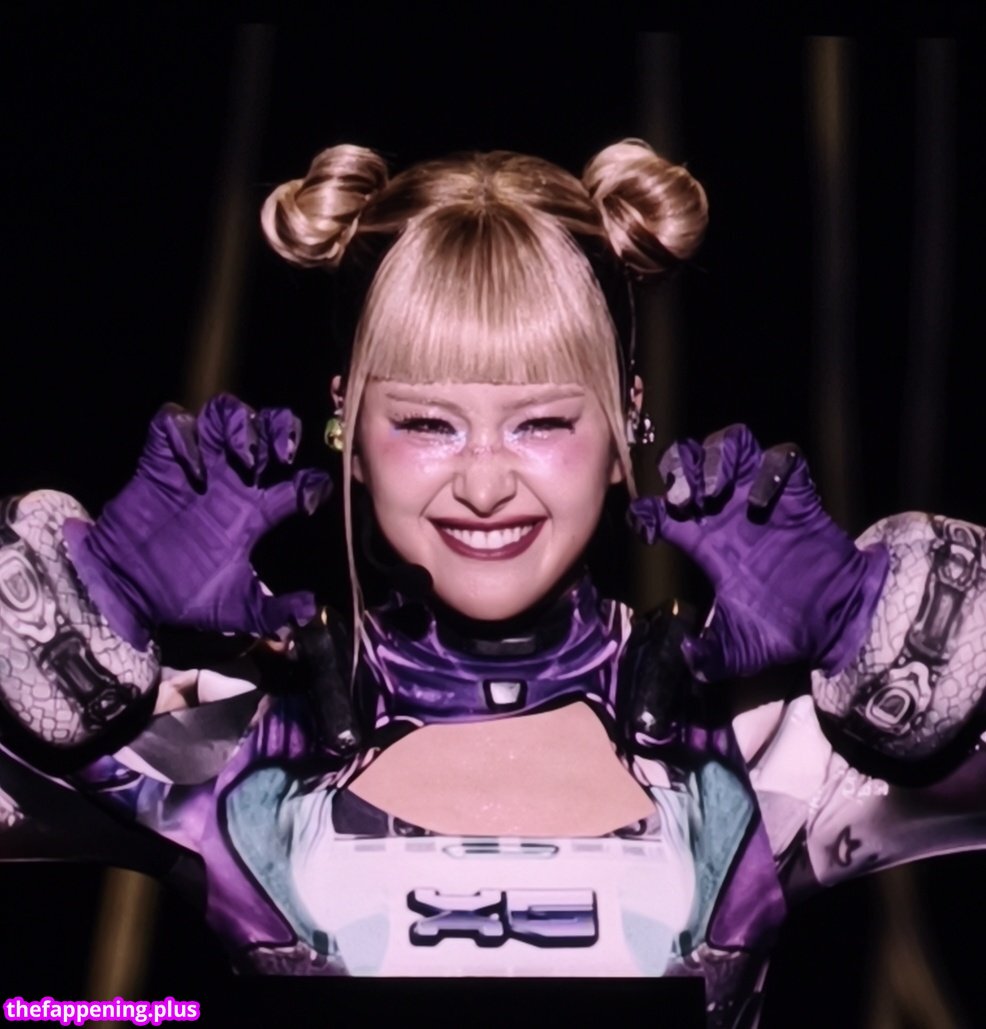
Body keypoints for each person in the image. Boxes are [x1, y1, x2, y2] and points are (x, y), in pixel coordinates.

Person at [1, 140, 985, 1029]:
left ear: (625, 420)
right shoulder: (227, 739)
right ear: (347, 422)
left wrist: (883, 624)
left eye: (541, 422)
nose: (483, 484)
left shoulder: (759, 743)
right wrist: (82, 596)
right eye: (426, 423)